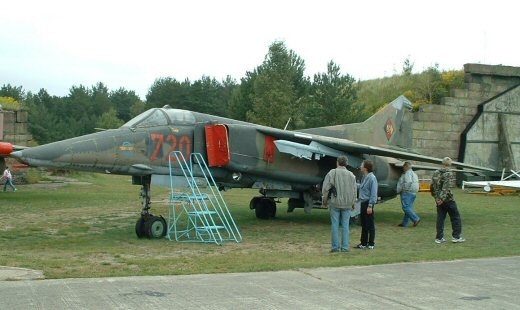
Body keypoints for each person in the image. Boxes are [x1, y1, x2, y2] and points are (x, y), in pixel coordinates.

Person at [322, 156, 357, 253]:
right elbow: (354, 191)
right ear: (346, 163)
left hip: (335, 203)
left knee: (335, 225)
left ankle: (335, 247)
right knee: (345, 226)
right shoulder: (351, 175)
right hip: (347, 204)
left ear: (337, 162)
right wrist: (353, 203)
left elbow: (325, 188)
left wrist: (324, 200)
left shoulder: (332, 173)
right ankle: (345, 248)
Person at [431, 157, 465, 243]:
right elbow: (446, 187)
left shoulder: (436, 172)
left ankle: (439, 238)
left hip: (438, 199)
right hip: (448, 199)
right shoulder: (449, 173)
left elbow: (432, 186)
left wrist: (436, 198)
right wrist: (442, 199)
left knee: (440, 219)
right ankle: (456, 237)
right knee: (455, 217)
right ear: (450, 164)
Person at [355, 160, 378, 249]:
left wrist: (370, 206)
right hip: (363, 202)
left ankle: (371, 243)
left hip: (368, 203)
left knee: (370, 224)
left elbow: (373, 193)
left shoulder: (372, 178)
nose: (360, 166)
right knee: (364, 224)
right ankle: (363, 243)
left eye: (361, 165)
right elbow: (361, 187)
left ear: (365, 168)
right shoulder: (365, 177)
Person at [396, 161, 420, 227]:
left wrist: (404, 189)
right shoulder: (414, 174)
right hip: (413, 193)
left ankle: (416, 219)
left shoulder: (407, 173)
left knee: (405, 208)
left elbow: (408, 182)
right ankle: (404, 223)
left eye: (403, 167)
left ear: (406, 166)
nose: (403, 168)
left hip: (407, 193)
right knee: (409, 208)